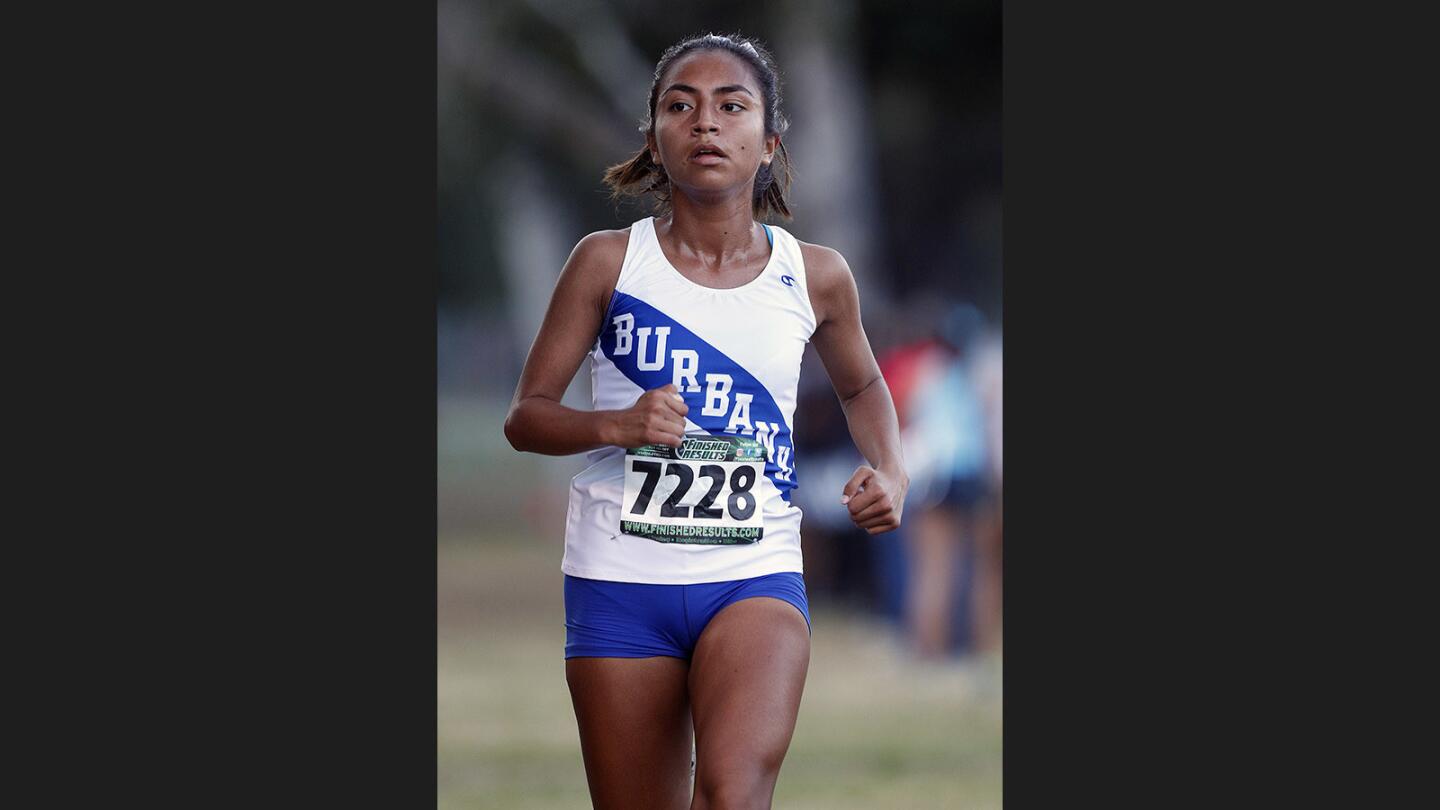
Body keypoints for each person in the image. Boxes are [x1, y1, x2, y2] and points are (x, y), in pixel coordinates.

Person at [503, 33, 908, 810]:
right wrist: (614, 426)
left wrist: (891, 469)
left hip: (752, 570)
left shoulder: (814, 274)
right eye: (679, 106)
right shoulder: (606, 261)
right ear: (655, 140)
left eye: (731, 106)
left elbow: (863, 387)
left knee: (732, 795)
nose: (705, 123)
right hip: (619, 579)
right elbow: (527, 417)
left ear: (768, 145)